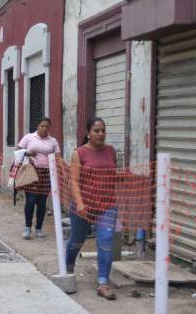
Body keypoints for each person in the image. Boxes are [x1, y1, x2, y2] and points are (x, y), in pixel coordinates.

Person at [66, 117, 119, 300]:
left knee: (106, 241)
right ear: (88, 133)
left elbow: (112, 175)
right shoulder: (79, 153)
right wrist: (80, 203)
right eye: (97, 130)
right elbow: (73, 181)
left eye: (103, 130)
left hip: (108, 205)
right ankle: (68, 268)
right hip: (83, 205)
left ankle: (103, 282)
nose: (101, 134)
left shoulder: (111, 151)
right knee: (77, 240)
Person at [16, 117, 60, 239]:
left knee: (42, 202)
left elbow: (57, 156)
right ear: (38, 126)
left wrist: (56, 161)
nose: (44, 128)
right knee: (31, 200)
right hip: (31, 172)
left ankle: (39, 228)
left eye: (47, 127)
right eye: (42, 126)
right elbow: (18, 150)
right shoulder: (29, 137)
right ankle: (27, 227)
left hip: (46, 174)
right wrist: (28, 153)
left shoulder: (53, 141)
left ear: (49, 128)